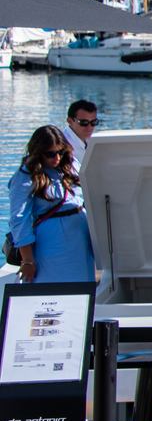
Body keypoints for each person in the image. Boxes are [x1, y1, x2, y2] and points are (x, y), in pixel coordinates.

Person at [8, 126, 94, 284]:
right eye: (50, 154)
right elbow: (19, 219)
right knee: (54, 287)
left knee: (83, 287)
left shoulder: (70, 164)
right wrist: (28, 260)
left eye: (60, 152)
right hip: (52, 242)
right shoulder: (26, 175)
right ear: (38, 152)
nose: (57, 158)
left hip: (80, 238)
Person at [61, 99, 99, 169]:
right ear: (70, 121)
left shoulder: (92, 141)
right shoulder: (62, 145)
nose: (89, 127)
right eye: (84, 122)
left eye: (94, 122)